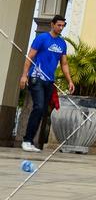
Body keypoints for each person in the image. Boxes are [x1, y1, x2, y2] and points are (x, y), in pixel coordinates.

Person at [19, 15, 74, 152]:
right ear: (52, 24)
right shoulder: (42, 38)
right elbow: (30, 57)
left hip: (49, 81)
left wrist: (70, 81)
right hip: (36, 77)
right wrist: (24, 76)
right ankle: (26, 140)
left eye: (63, 26)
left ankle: (30, 141)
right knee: (38, 106)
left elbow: (64, 64)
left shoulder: (62, 43)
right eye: (59, 25)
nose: (61, 28)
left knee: (43, 110)